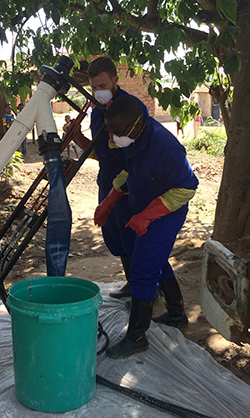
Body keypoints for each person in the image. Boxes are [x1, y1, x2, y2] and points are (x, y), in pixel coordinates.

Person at [100, 95, 198, 358]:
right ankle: (177, 314)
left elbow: (187, 188)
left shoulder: (166, 147)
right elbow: (131, 173)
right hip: (145, 205)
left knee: (143, 268)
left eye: (118, 132)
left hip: (167, 210)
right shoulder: (133, 138)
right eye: (111, 132)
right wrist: (110, 201)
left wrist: (148, 215)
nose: (114, 138)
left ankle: (137, 336)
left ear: (136, 125)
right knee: (155, 259)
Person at [71, 56, 149, 300]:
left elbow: (142, 154)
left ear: (116, 80)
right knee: (116, 237)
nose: (98, 92)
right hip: (107, 181)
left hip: (131, 185)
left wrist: (122, 188)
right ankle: (132, 284)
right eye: (94, 87)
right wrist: (76, 137)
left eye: (102, 86)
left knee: (135, 238)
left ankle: (146, 292)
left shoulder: (132, 108)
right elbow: (100, 152)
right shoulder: (97, 113)